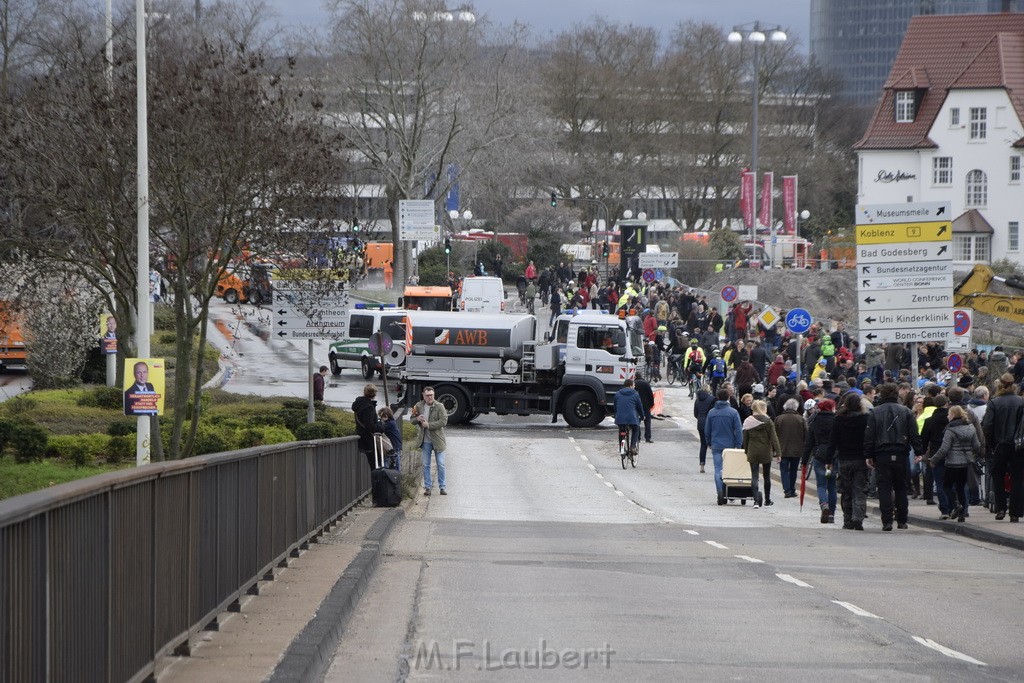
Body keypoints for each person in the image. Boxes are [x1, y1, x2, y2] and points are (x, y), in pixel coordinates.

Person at [864, 383, 924, 531]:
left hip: (882, 453)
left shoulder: (875, 412)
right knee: (901, 487)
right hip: (901, 452)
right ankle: (902, 520)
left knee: (884, 487)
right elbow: (914, 434)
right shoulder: (906, 411)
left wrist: (868, 455)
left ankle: (887, 521)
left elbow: (870, 436)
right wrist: (918, 451)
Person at [981, 373, 1023, 521]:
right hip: (1018, 446)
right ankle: (1015, 512)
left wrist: (991, 444)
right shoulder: (1021, 401)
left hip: (1000, 444)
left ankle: (1000, 509)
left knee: (997, 476)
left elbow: (987, 426)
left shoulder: (994, 403)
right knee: (1018, 478)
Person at [930, 405, 981, 523]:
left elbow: (944, 448)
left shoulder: (950, 429)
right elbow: (977, 446)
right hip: (965, 463)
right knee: (961, 487)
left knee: (946, 486)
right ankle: (962, 514)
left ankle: (956, 504)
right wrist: (970, 453)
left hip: (952, 463)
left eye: (948, 414)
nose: (947, 416)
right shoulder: (970, 427)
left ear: (953, 415)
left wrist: (933, 460)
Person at [830, 392, 870, 530]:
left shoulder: (839, 419)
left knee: (846, 491)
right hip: (860, 459)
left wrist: (828, 459)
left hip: (844, 459)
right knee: (859, 490)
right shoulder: (865, 419)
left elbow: (833, 441)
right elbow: (869, 439)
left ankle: (847, 520)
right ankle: (858, 517)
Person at [706, 388, 743, 504]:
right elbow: (738, 429)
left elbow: (707, 430)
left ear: (717, 397)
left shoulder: (712, 412)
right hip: (730, 446)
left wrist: (709, 442)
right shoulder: (733, 412)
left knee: (718, 469)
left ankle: (720, 493)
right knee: (730, 470)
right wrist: (738, 444)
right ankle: (730, 492)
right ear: (728, 398)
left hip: (716, 445)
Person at [742, 399, 781, 507]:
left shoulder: (748, 421)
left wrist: (746, 450)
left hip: (753, 450)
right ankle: (767, 500)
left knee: (754, 476)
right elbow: (774, 438)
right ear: (764, 409)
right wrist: (778, 453)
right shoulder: (768, 421)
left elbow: (745, 438)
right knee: (766, 476)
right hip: (765, 451)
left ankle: (755, 501)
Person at [412, 386, 449, 495]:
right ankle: (427, 487)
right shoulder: (419, 406)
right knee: (426, 464)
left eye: (432, 395)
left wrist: (429, 425)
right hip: (425, 440)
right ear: (423, 395)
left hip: (437, 439)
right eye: (428, 395)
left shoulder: (439, 406)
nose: (430, 397)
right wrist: (417, 419)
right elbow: (412, 420)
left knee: (441, 464)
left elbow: (443, 421)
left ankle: (442, 487)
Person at [804, 398, 837, 523]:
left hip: (819, 456)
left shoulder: (814, 421)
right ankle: (832, 514)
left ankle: (824, 505)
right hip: (832, 458)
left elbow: (809, 443)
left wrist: (804, 461)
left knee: (821, 484)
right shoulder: (836, 420)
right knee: (832, 485)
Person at [774, 398, 806, 498]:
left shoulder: (779, 418)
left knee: (783, 470)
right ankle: (792, 489)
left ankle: (787, 490)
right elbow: (806, 434)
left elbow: (774, 434)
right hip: (797, 449)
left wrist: (774, 449)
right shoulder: (801, 419)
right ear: (796, 408)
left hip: (782, 449)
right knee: (793, 470)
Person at [352, 383, 385, 471]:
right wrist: (381, 428)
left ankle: (376, 482)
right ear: (374, 394)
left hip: (363, 436)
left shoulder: (359, 404)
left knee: (374, 464)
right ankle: (377, 483)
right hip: (368, 438)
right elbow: (369, 425)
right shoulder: (368, 407)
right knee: (376, 464)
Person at [613, 379, 644, 455]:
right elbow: (640, 407)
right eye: (634, 385)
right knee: (636, 429)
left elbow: (615, 406)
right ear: (630, 386)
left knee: (622, 431)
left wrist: (616, 415)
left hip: (620, 418)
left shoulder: (617, 394)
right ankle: (632, 447)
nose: (634, 386)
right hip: (632, 419)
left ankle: (621, 448)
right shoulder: (635, 394)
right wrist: (642, 416)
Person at [694, 382, 716, 474]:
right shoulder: (712, 399)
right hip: (710, 423)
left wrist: (700, 418)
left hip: (700, 423)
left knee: (703, 444)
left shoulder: (697, 400)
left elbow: (695, 413)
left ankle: (702, 464)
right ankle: (717, 465)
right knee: (714, 444)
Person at [379, 406, 402, 472]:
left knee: (393, 461)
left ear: (386, 416)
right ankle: (395, 474)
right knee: (395, 461)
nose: (381, 419)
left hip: (394, 445)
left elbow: (381, 428)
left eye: (382, 417)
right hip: (397, 444)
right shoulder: (392, 422)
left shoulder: (389, 424)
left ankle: (391, 474)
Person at [634, 376, 655, 443]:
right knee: (647, 422)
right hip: (646, 406)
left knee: (637, 422)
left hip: (637, 406)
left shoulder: (634, 383)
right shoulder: (646, 383)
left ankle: (638, 438)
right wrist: (651, 404)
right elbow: (650, 395)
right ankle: (647, 438)